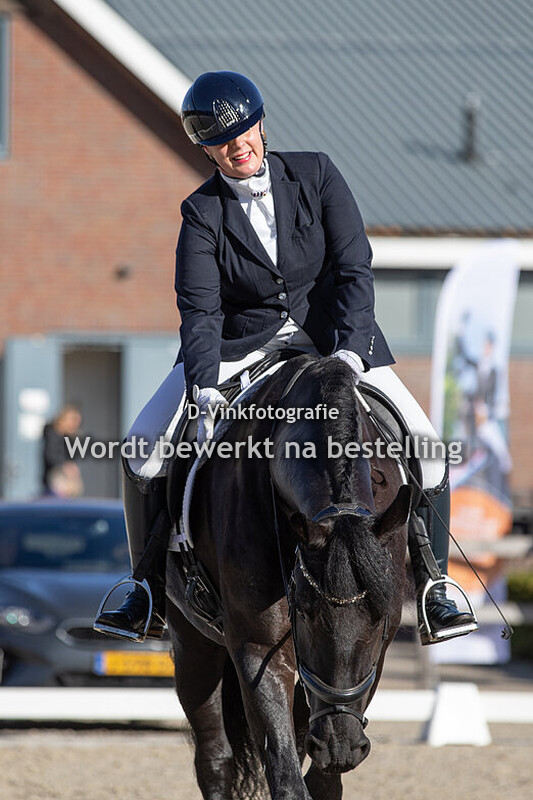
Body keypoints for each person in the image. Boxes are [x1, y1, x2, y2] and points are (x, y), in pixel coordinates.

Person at [94, 71, 477, 645]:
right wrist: (202, 388)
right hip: (236, 347)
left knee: (428, 449)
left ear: (260, 123)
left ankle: (434, 586)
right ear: (205, 149)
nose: (238, 144)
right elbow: (199, 310)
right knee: (143, 449)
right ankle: (144, 587)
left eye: (244, 130)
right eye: (222, 140)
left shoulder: (317, 174)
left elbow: (354, 269)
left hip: (335, 340)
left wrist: (350, 351)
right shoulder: (201, 213)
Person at [42, 405, 84, 498]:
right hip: (54, 480)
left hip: (67, 480)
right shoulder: (52, 434)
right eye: (73, 421)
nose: (75, 425)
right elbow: (50, 456)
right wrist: (65, 466)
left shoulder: (71, 437)